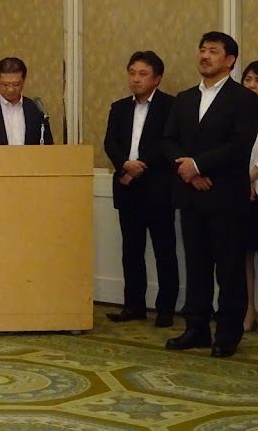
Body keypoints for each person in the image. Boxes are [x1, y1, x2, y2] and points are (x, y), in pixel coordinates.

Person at [164, 31, 258, 358]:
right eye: (202, 49)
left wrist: (199, 166)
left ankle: (228, 334)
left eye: (213, 51)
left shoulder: (245, 99)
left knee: (229, 269)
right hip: (191, 196)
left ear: (230, 60)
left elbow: (239, 145)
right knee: (197, 265)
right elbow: (168, 140)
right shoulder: (185, 98)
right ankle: (196, 328)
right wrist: (188, 170)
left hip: (227, 197)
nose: (205, 56)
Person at [102, 51, 178, 327]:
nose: (136, 79)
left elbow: (167, 144)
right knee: (131, 250)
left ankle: (166, 308)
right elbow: (110, 142)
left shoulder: (171, 106)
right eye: (132, 73)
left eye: (143, 74)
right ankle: (133, 305)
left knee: (164, 250)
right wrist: (124, 165)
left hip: (157, 189)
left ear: (157, 78)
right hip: (127, 188)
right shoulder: (119, 107)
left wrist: (140, 167)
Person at [0, 57, 54, 145]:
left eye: (16, 84)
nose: (11, 90)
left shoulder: (36, 110)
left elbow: (48, 147)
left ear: (24, 80)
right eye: (5, 85)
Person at [242, 61, 258, 333]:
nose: (252, 85)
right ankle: (248, 310)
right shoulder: (238, 112)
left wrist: (248, 179)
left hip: (248, 185)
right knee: (245, 253)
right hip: (243, 194)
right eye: (248, 79)